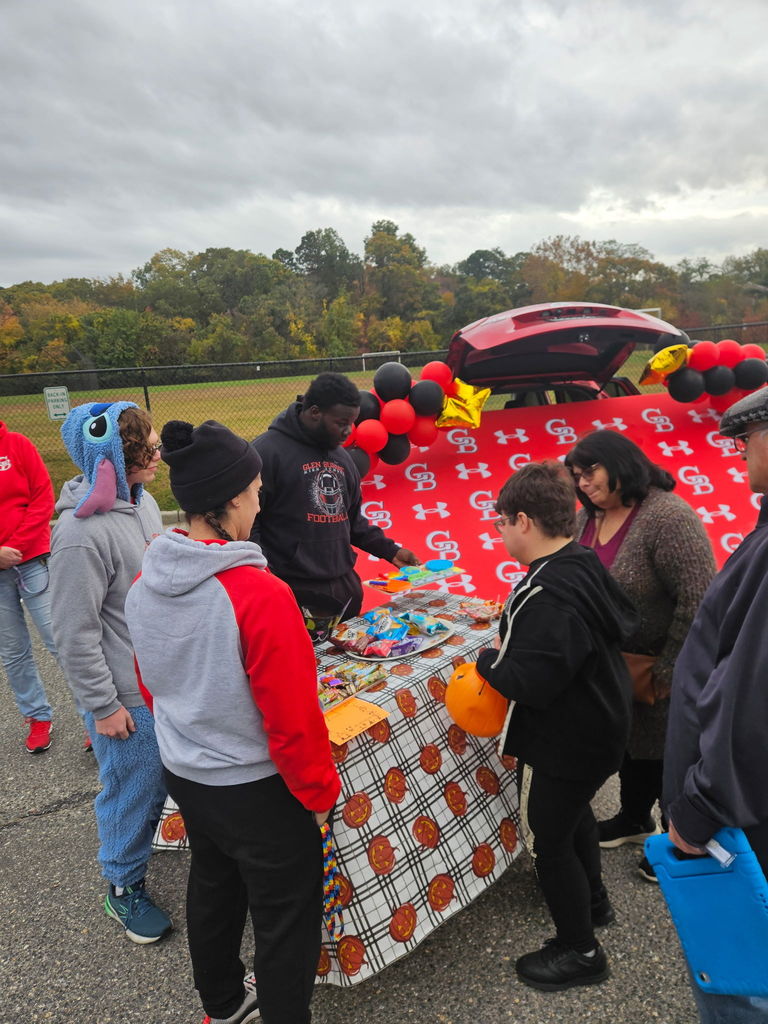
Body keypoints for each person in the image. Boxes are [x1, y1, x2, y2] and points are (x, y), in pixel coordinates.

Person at [125, 419, 340, 1024]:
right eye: (256, 491)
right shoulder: (258, 594)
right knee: (285, 915)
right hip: (257, 787)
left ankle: (222, 1003)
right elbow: (292, 718)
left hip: (188, 772)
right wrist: (318, 792)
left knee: (215, 883)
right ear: (230, 501)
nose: (260, 501)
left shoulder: (148, 582)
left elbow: (151, 681)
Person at [475, 461, 637, 991]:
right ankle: (594, 904)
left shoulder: (545, 595)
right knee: (574, 817)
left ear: (523, 521)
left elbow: (529, 683)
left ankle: (581, 949)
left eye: (500, 522)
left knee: (549, 835)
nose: (498, 532)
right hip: (602, 725)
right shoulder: (580, 560)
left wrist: (488, 660)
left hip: (570, 739)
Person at [564, 430, 715, 882]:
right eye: (576, 476)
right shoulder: (586, 517)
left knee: (673, 754)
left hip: (660, 663)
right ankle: (634, 819)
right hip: (611, 667)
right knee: (631, 746)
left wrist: (671, 668)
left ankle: (682, 840)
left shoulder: (667, 516)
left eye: (590, 472)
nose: (583, 484)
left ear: (620, 464)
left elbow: (699, 598)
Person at [663, 388, 768, 1023]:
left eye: (747, 438)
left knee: (742, 989)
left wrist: (700, 809)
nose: (741, 454)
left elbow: (752, 695)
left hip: (744, 833)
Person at [49, 401, 171, 944]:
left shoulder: (141, 505)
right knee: (132, 786)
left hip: (162, 679)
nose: (157, 452)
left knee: (168, 775)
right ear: (113, 457)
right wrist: (103, 706)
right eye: (146, 445)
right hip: (125, 694)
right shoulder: (79, 537)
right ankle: (122, 885)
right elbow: (73, 634)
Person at [249, 371, 419, 619]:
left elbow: (350, 521)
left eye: (352, 423)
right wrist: (268, 580)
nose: (348, 431)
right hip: (292, 594)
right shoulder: (266, 453)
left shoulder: (342, 459)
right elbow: (247, 525)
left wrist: (390, 550)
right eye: (341, 423)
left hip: (344, 591)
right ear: (315, 412)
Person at [0, 420, 57, 753]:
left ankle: (94, 715)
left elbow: (42, 497)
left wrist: (15, 548)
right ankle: (37, 717)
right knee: (13, 651)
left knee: (59, 640)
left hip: (31, 559)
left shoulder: (18, 445)